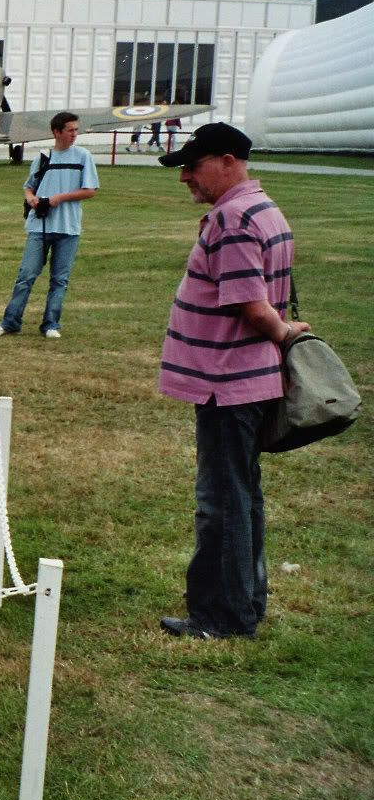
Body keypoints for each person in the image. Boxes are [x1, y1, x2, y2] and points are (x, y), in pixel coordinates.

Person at [156, 123, 307, 640]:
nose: (185, 178)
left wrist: (283, 332)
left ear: (226, 161)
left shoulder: (234, 218)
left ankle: (220, 618)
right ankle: (244, 604)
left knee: (220, 502)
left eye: (192, 167)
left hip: (226, 380)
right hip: (245, 379)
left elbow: (251, 305)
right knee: (241, 496)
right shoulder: (263, 208)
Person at [0, 112, 99, 339]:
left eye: (76, 130)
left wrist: (58, 198)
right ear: (57, 132)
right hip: (40, 226)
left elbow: (90, 191)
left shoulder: (83, 157)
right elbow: (29, 186)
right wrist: (31, 199)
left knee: (59, 280)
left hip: (68, 228)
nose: (74, 134)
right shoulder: (43, 157)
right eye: (70, 130)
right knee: (26, 275)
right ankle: (10, 322)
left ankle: (51, 324)